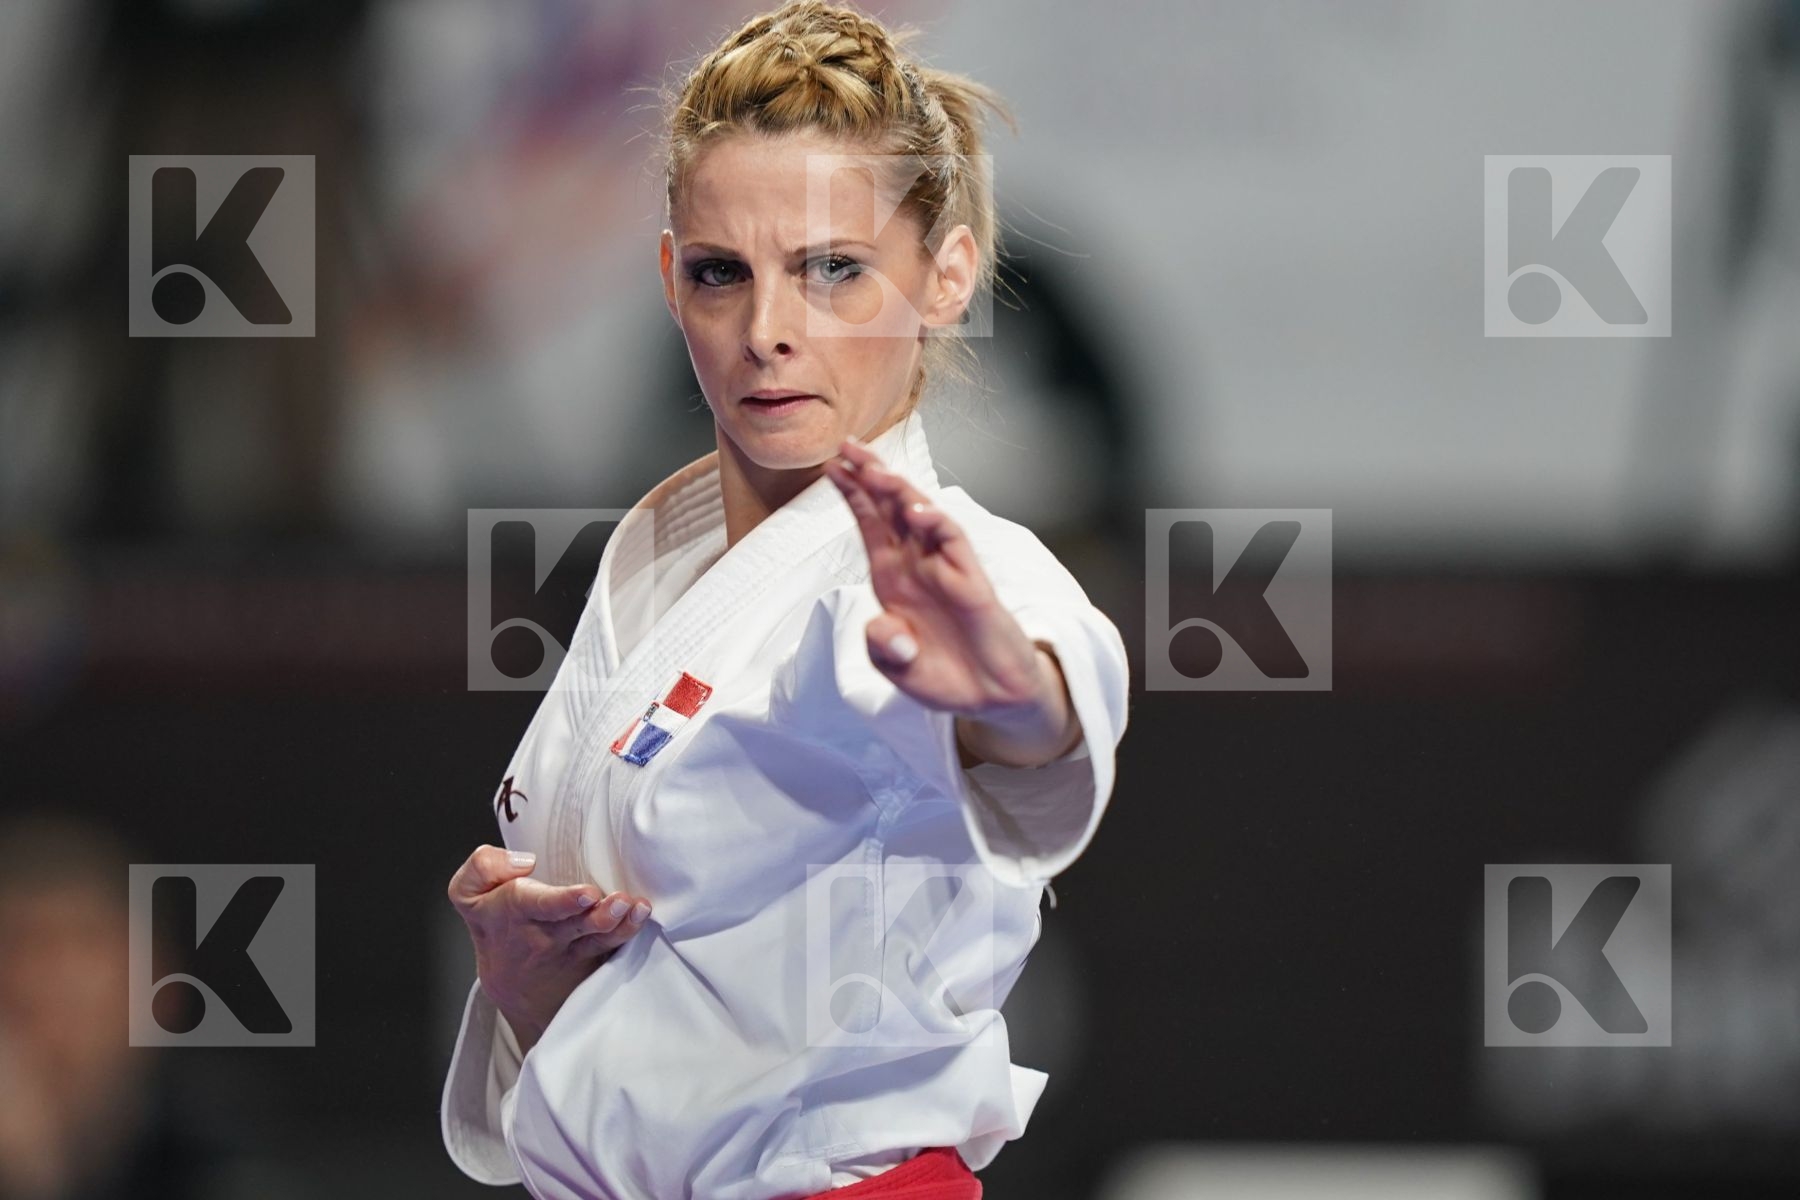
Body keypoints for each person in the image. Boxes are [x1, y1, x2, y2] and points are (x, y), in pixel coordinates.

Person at [439, 3, 1130, 1196]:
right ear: (670, 278)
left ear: (948, 273)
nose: (768, 333)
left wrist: (1009, 691)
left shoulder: (946, 570)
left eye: (833, 271)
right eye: (722, 274)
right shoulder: (653, 554)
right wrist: (533, 988)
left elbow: (1041, 715)